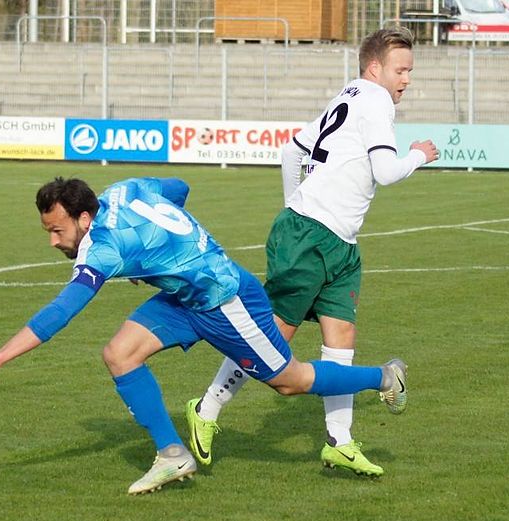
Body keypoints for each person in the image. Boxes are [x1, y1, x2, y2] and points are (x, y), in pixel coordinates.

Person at [0, 176, 407, 495]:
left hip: (227, 300)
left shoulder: (104, 249)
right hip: (185, 297)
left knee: (291, 381)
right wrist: (165, 250)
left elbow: (60, 312)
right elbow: (179, 188)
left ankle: (385, 377)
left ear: (84, 218)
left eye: (57, 230)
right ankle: (172, 454)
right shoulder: (124, 190)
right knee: (119, 354)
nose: (53, 241)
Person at [185, 26, 439, 478]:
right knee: (272, 339)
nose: (407, 80)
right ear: (375, 68)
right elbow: (386, 171)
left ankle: (339, 442)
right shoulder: (375, 100)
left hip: (339, 242)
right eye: (401, 70)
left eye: (410, 72)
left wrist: (294, 206)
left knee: (341, 338)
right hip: (311, 238)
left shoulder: (350, 94)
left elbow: (292, 151)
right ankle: (206, 408)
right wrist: (420, 154)